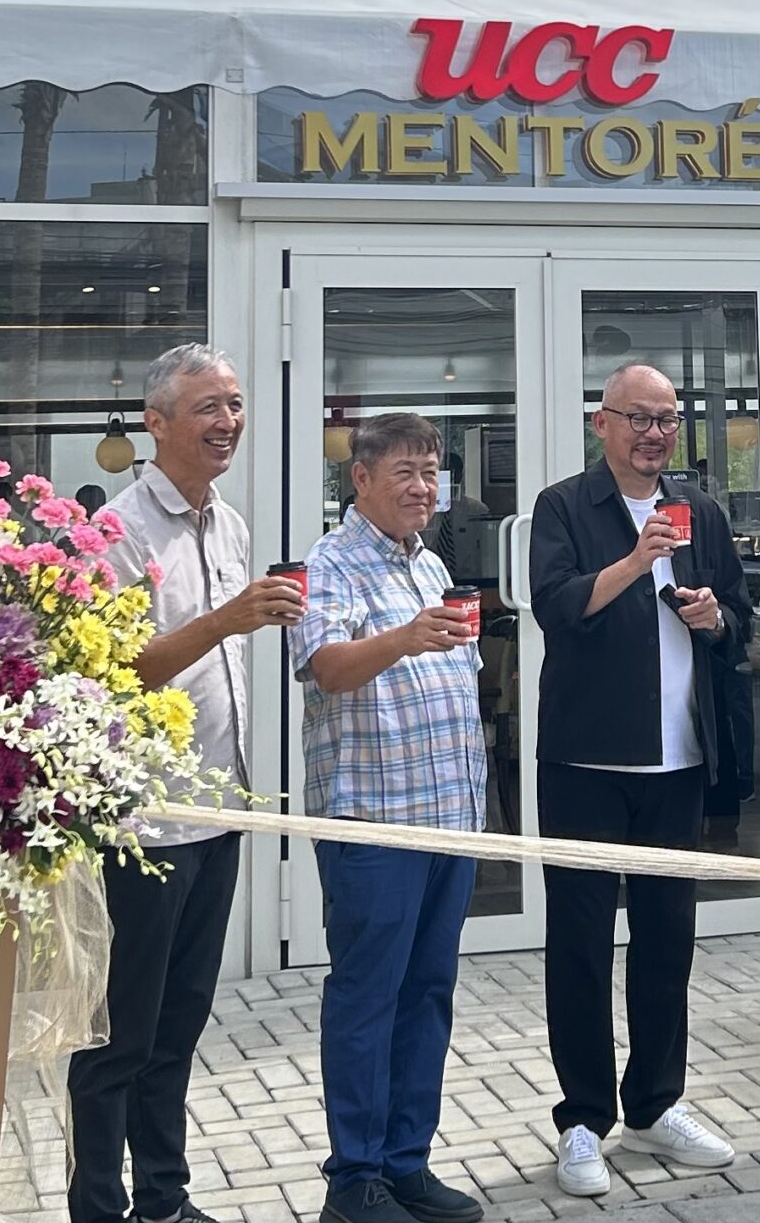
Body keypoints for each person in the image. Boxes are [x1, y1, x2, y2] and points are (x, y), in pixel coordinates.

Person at [70, 344, 306, 1223]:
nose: (228, 422)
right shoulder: (119, 531)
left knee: (179, 1028)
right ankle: (99, 1207)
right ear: (156, 424)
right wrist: (227, 618)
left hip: (217, 810)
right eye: (209, 407)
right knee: (118, 1038)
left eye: (235, 404)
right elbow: (115, 671)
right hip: (145, 821)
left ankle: (164, 1201)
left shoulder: (230, 524)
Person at [528, 363, 752, 1197]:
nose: (655, 434)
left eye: (667, 420)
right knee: (580, 946)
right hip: (586, 761)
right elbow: (556, 607)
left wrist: (716, 618)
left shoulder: (703, 511)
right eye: (639, 418)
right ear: (603, 423)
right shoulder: (564, 507)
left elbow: (741, 618)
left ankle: (656, 1104)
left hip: (679, 760)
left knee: (667, 941)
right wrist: (636, 559)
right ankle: (583, 1119)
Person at [290, 413, 489, 1223]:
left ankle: (408, 1164)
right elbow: (327, 668)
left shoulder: (432, 564)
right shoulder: (329, 564)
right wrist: (405, 636)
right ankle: (354, 1179)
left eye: (431, 472)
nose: (422, 487)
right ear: (362, 479)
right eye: (405, 471)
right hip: (374, 819)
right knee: (368, 996)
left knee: (428, 991)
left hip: (449, 816)